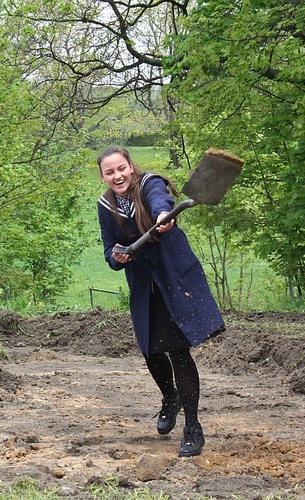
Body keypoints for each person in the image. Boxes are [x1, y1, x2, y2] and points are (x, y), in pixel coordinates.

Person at [96, 146, 224, 458]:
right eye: (109, 172)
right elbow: (108, 248)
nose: (117, 176)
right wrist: (116, 255)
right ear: (103, 177)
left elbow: (159, 201)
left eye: (121, 169)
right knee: (149, 348)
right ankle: (170, 396)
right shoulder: (105, 205)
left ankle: (193, 427)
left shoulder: (150, 183)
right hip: (142, 280)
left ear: (130, 166)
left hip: (172, 273)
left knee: (178, 351)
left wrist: (163, 215)